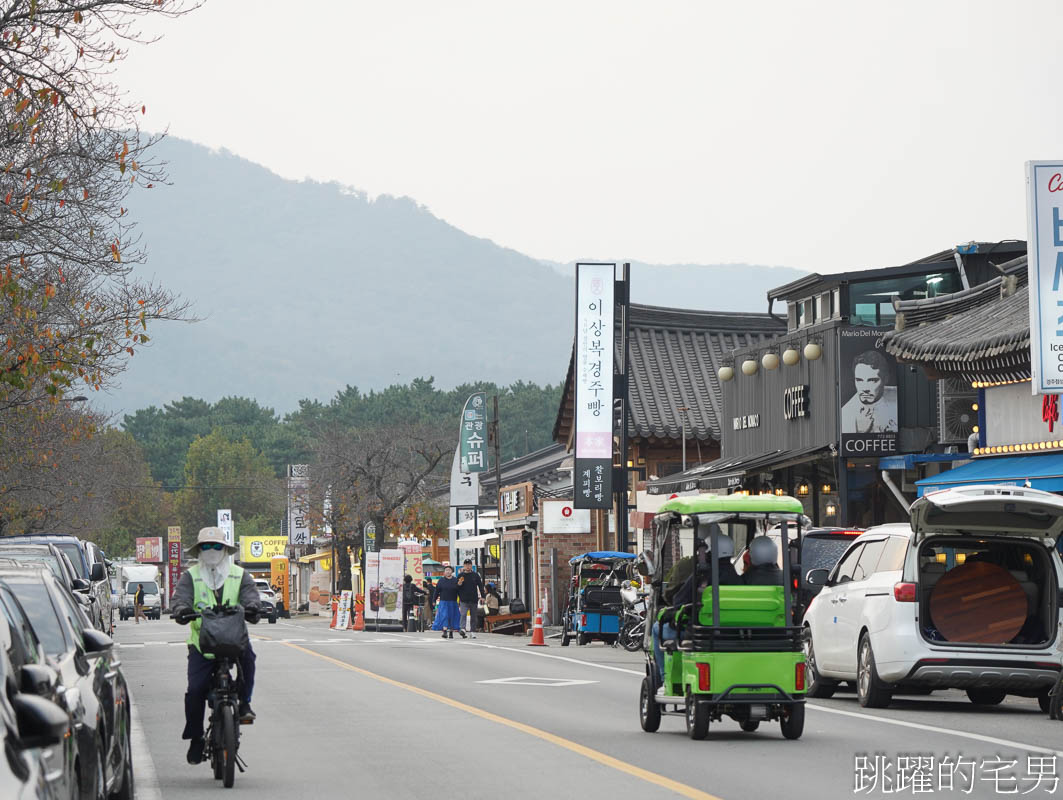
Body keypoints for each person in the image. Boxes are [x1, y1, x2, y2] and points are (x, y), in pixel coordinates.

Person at [171, 527, 261, 766]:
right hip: (202, 644)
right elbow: (180, 599)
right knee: (196, 690)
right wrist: (181, 609)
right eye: (206, 546)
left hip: (234, 639)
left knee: (249, 660)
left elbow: (251, 597)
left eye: (216, 546)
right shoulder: (190, 576)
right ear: (200, 550)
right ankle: (196, 737)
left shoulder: (240, 575)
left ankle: (244, 703)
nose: (212, 551)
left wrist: (252, 607)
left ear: (225, 550)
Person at [652, 534, 738, 684]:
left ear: (710, 551)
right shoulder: (738, 578)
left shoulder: (703, 575)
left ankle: (664, 678)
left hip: (702, 632)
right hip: (734, 631)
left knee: (656, 629)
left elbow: (678, 600)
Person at [840, 349, 898, 434]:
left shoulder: (896, 396)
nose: (865, 388)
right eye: (859, 380)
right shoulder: (846, 413)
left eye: (872, 380)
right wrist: (860, 432)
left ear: (886, 379)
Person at [456, 559, 485, 639]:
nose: (467, 566)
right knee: (463, 614)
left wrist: (483, 596)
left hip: (474, 599)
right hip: (463, 599)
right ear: (464, 566)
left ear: (471, 566)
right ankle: (463, 629)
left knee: (474, 616)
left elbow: (480, 586)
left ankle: (472, 631)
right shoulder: (460, 575)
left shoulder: (475, 575)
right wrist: (459, 584)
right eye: (466, 565)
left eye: (469, 564)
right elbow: (456, 587)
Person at [430, 565, 461, 638]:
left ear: (452, 571)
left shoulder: (455, 580)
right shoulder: (441, 580)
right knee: (444, 616)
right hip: (443, 601)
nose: (448, 571)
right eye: (446, 570)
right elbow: (436, 591)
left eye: (449, 570)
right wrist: (434, 600)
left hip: (453, 602)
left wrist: (461, 601)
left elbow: (459, 591)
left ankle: (451, 632)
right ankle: (444, 631)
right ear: (444, 572)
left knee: (452, 616)